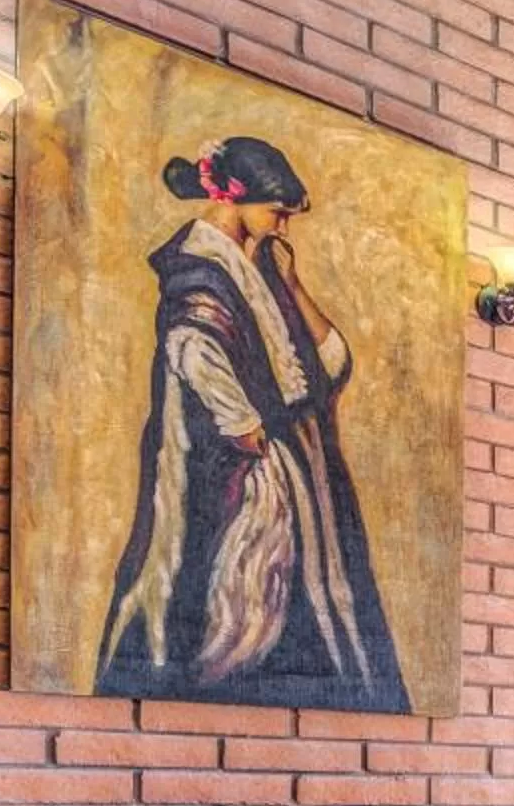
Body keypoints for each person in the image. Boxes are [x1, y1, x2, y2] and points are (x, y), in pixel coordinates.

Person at [95, 136, 409, 713]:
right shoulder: (199, 267)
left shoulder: (261, 267)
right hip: (242, 475)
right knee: (231, 606)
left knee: (320, 602)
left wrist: (291, 285)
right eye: (278, 213)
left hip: (300, 470)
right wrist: (246, 430)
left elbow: (332, 366)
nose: (283, 228)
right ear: (236, 198)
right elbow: (192, 348)